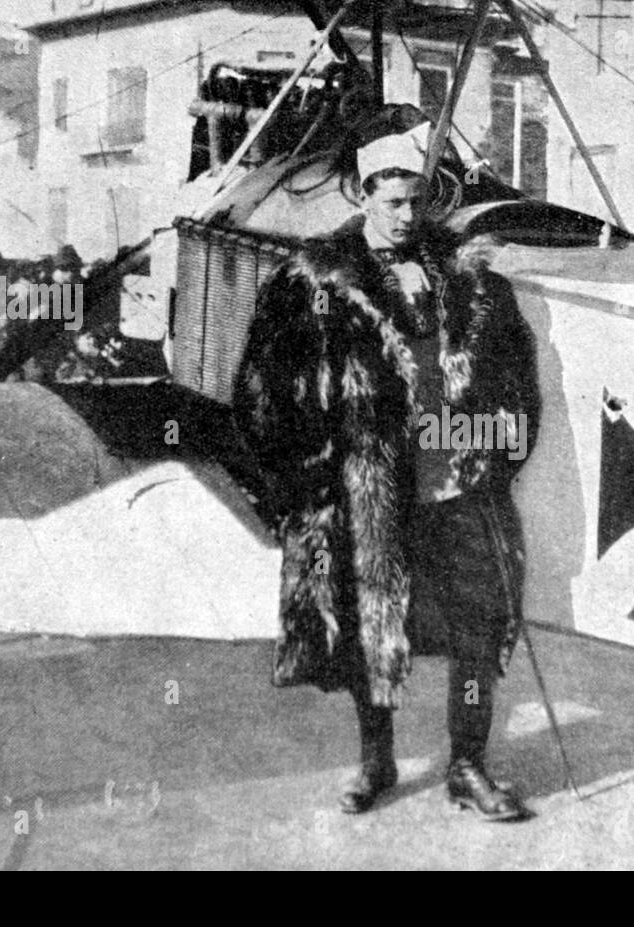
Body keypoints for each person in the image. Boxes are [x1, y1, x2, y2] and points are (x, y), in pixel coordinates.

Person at [232, 108, 540, 821]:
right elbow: (261, 390)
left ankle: (468, 765)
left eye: (417, 200)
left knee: (478, 629)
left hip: (459, 483)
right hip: (365, 489)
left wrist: (499, 453)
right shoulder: (314, 276)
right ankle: (377, 759)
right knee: (375, 625)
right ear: (364, 194)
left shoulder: (471, 275)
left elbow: (516, 378)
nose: (406, 215)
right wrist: (308, 480)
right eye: (392, 200)